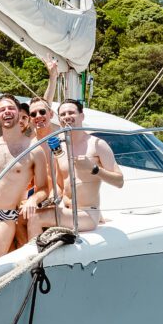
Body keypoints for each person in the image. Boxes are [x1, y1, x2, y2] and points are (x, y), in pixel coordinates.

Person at [27, 99, 124, 237]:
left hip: (87, 214)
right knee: (29, 214)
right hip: (66, 211)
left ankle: (35, 257)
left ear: (82, 116)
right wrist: (44, 202)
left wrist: (94, 169)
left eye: (71, 112)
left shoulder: (97, 144)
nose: (67, 116)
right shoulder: (59, 145)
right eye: (63, 114)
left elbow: (119, 181)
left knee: (35, 218)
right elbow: (59, 186)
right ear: (59, 119)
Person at [0, 94, 49, 260]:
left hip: (5, 215)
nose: (7, 112)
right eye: (2, 110)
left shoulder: (34, 150)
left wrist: (33, 200)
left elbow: (44, 188)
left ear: (19, 113)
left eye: (11, 108)